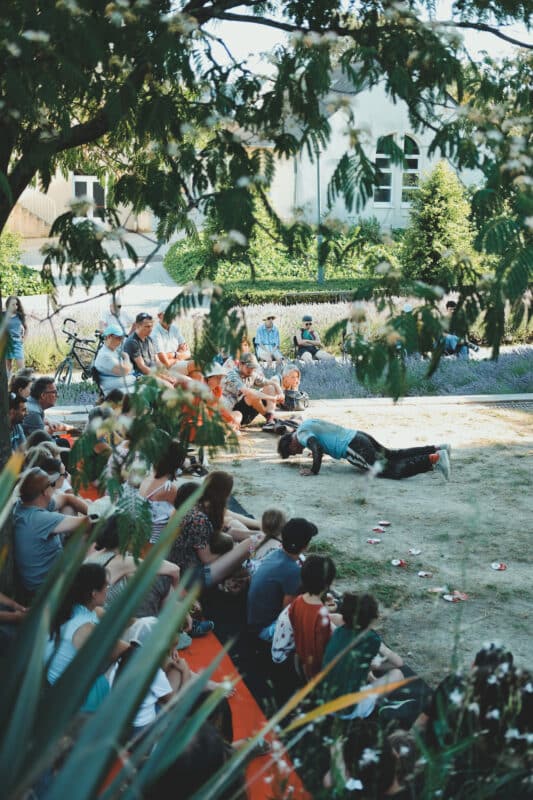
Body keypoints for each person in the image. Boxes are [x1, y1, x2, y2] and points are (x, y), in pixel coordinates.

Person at [46, 563, 129, 712]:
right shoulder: (84, 628)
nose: (108, 590)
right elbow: (127, 650)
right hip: (76, 698)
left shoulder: (71, 610)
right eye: (106, 586)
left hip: (59, 685)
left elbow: (124, 621)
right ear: (94, 593)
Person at [168, 470, 264, 590]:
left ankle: (249, 561)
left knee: (249, 538)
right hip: (195, 578)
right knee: (253, 542)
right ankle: (251, 562)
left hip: (187, 572)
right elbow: (207, 558)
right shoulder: (198, 518)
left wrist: (258, 533)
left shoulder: (200, 510)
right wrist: (233, 552)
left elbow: (228, 530)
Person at [278, 418, 452, 481]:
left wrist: (313, 470)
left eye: (294, 452)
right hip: (358, 435)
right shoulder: (305, 424)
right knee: (392, 455)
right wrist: (317, 450)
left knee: (390, 470)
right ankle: (438, 448)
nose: (298, 452)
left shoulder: (300, 435)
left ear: (291, 444)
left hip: (353, 447)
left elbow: (316, 446)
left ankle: (435, 459)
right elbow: (320, 439)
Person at [322, 592, 404, 720]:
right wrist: (383, 648)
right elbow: (399, 663)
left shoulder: (338, 632)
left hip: (325, 701)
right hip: (347, 710)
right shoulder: (371, 639)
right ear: (373, 618)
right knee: (397, 674)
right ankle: (375, 706)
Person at [13, 468, 90, 593]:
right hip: (47, 588)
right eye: (52, 484)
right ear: (44, 492)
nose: (54, 488)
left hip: (48, 568)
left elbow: (67, 498)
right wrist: (101, 511)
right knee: (90, 538)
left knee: (69, 508)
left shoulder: (26, 503)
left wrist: (90, 510)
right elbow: (88, 523)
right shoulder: (39, 519)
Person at [84, 516, 180, 617]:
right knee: (164, 579)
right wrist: (176, 594)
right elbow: (174, 570)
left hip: (91, 608)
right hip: (104, 615)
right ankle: (173, 617)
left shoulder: (95, 554)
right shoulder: (123, 561)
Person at [247, 517, 318, 641]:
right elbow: (288, 613)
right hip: (265, 629)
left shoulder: (275, 554)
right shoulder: (292, 571)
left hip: (254, 620)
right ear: (306, 546)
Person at [288, 554, 338, 680]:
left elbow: (293, 621)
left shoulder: (298, 600)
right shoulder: (321, 616)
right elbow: (322, 649)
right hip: (316, 668)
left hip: (301, 654)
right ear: (328, 583)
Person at [221, 351, 284, 432]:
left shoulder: (252, 374)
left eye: (253, 367)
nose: (251, 370)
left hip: (244, 410)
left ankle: (270, 420)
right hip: (232, 412)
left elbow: (272, 382)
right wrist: (272, 398)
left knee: (270, 386)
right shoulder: (232, 375)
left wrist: (281, 393)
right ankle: (270, 418)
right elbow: (248, 392)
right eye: (249, 367)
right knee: (251, 394)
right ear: (240, 364)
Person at [123, 312, 175, 386]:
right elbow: (142, 368)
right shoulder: (132, 342)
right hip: (140, 376)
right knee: (169, 386)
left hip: (153, 372)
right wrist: (164, 377)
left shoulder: (149, 339)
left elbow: (157, 361)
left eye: (151, 326)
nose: (150, 329)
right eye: (147, 326)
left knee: (181, 381)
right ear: (137, 326)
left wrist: (167, 374)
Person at [93, 323, 136, 394]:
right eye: (118, 338)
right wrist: (126, 357)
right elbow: (125, 371)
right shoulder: (105, 355)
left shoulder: (113, 350)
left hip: (124, 387)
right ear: (109, 337)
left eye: (122, 338)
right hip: (116, 392)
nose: (121, 341)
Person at [153, 301, 191, 368]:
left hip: (176, 364)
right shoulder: (155, 333)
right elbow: (164, 362)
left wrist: (173, 355)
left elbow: (188, 353)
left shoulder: (175, 328)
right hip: (164, 368)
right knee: (198, 364)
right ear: (159, 316)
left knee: (197, 373)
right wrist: (179, 355)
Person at [4, 295, 27, 375]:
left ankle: (23, 382)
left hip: (17, 344)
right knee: (8, 371)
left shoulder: (20, 316)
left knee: (22, 370)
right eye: (13, 304)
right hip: (7, 345)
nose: (15, 306)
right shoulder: (3, 315)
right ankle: (9, 382)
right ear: (8, 305)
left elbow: (26, 328)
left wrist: (23, 339)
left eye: (16, 304)